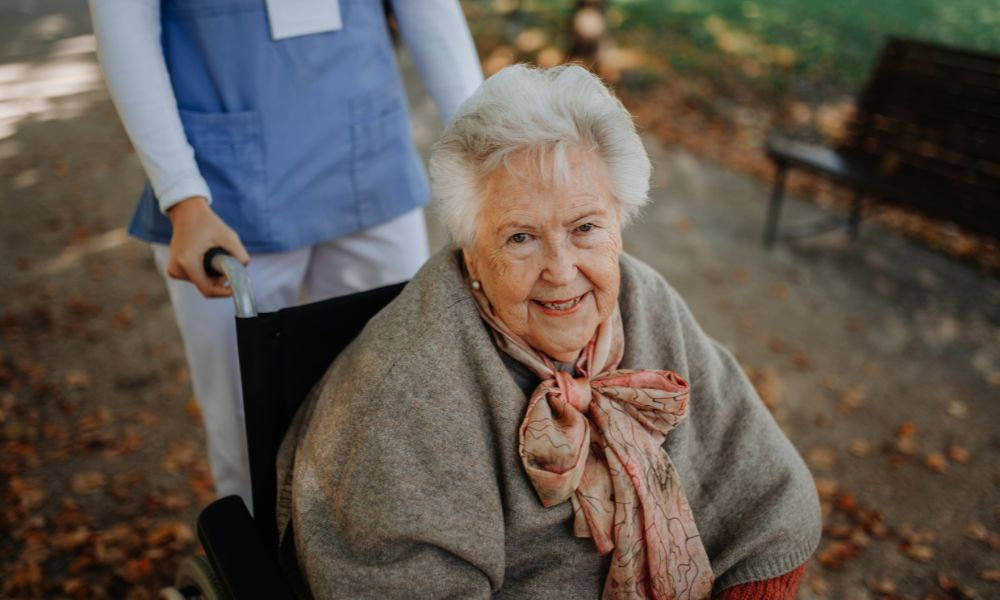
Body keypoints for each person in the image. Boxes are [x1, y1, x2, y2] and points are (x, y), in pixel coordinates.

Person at [276, 64, 821, 598]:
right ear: (470, 249)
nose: (561, 271)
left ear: (620, 220)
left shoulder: (643, 297)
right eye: (521, 238)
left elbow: (772, 499)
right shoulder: (407, 391)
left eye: (585, 228)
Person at [88, 0, 483, 508]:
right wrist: (182, 197)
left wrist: (488, 154)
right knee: (248, 431)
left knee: (397, 404)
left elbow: (430, 12)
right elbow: (125, 32)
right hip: (223, 197)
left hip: (368, 160)